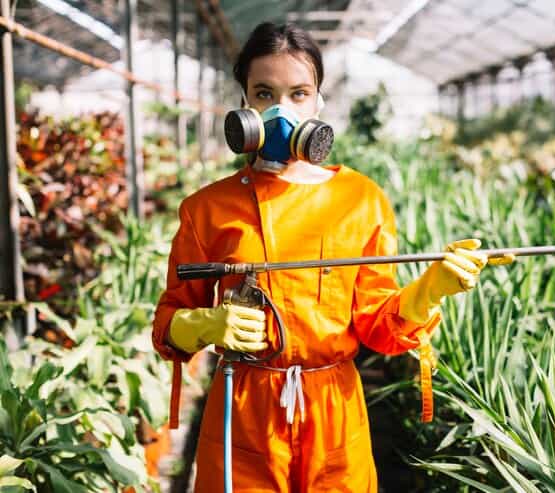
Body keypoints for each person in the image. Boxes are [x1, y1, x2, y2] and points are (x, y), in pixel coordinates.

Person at [152, 22, 515, 493]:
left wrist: (433, 288)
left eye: (299, 93)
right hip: (243, 407)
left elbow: (378, 328)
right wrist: (205, 325)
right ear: (244, 103)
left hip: (333, 408)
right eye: (265, 93)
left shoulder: (360, 199)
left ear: (319, 101)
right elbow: (167, 325)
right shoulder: (207, 208)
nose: (282, 110)